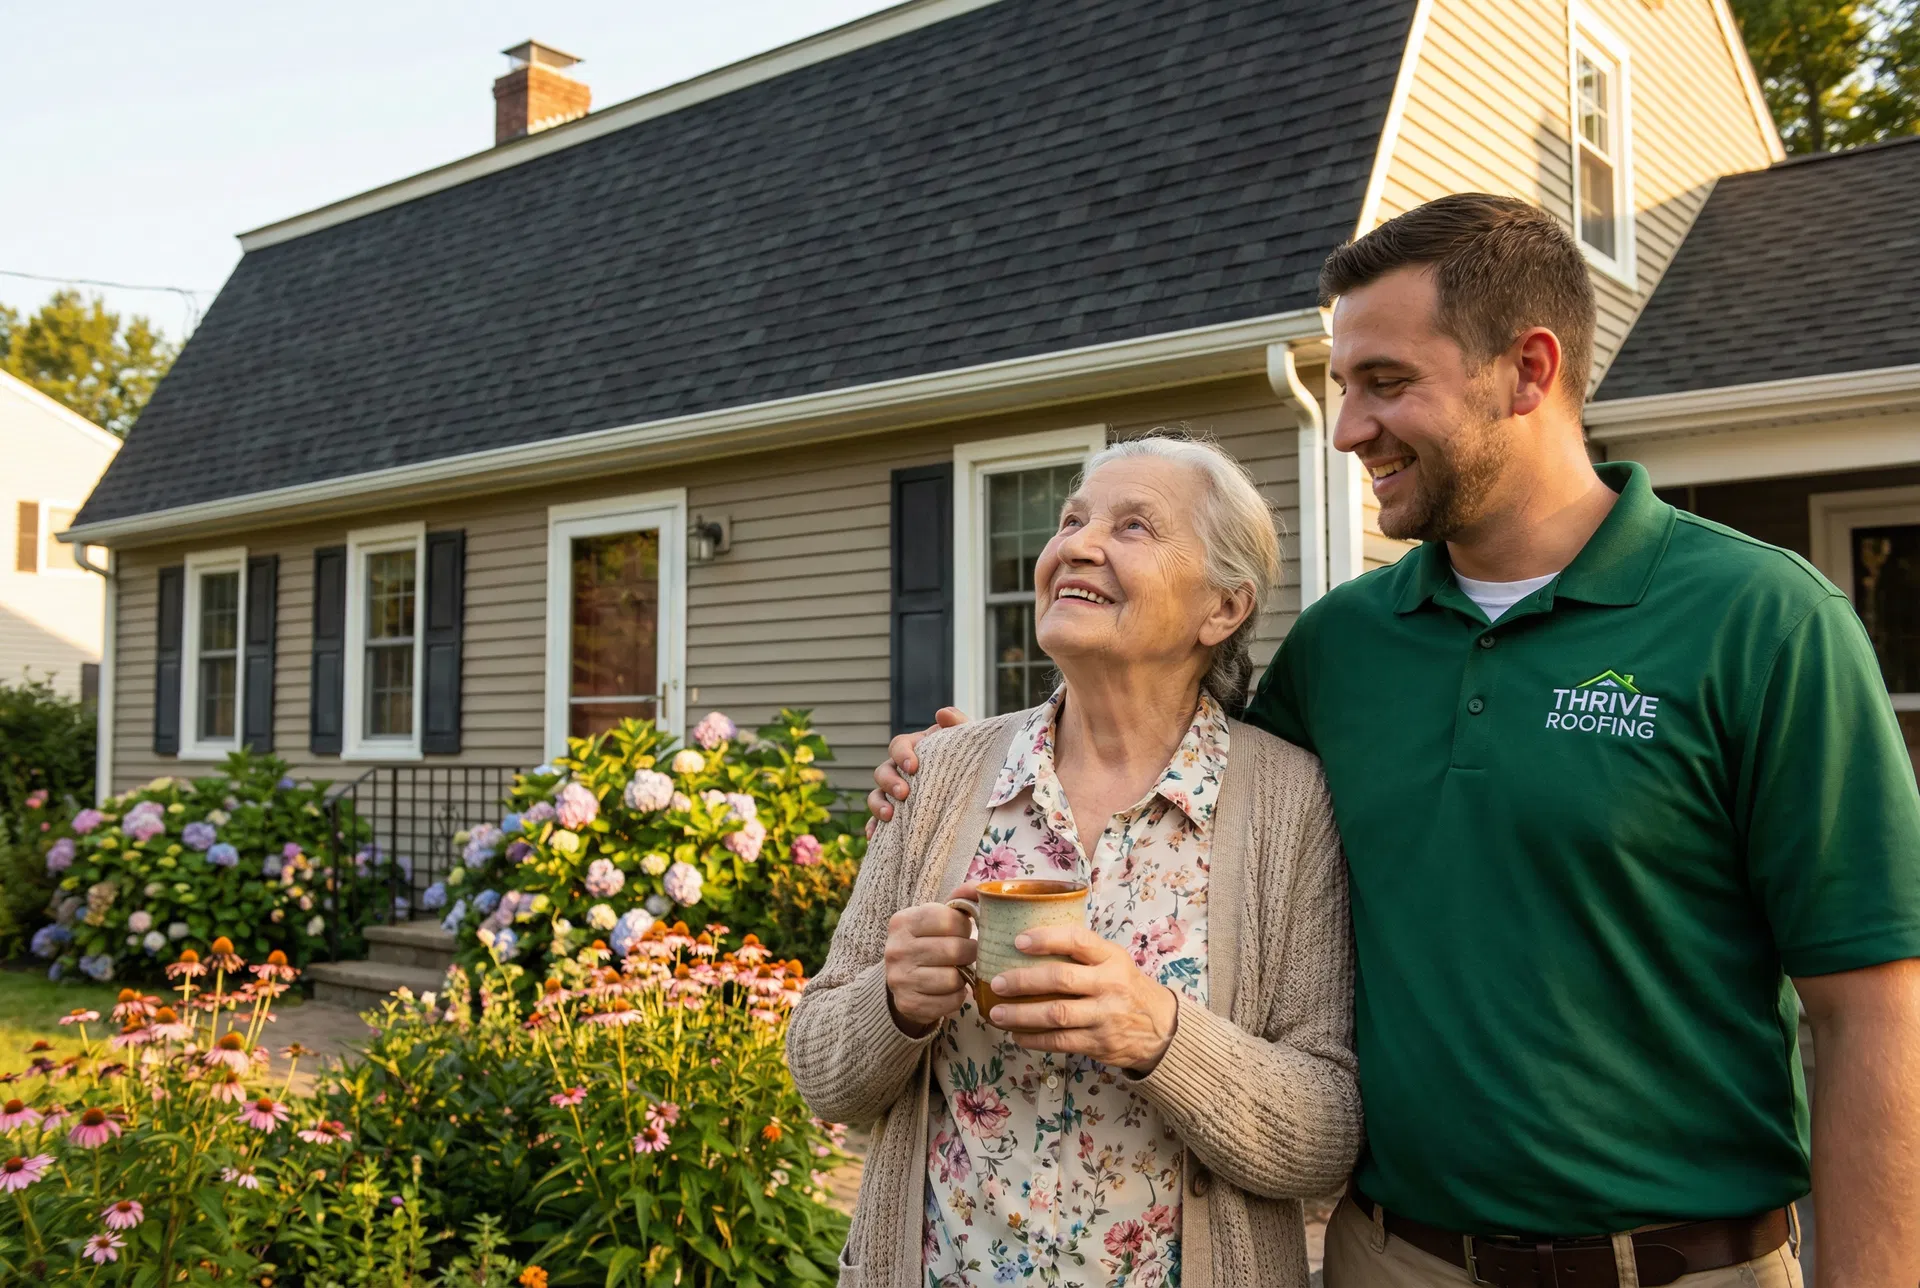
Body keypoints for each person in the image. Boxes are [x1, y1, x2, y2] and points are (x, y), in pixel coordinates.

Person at [869, 194, 1920, 1288]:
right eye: (1341, 386)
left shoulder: (1762, 620)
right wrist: (966, 762)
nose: (1346, 428)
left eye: (1387, 383)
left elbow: (1873, 1015)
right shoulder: (1344, 650)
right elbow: (1172, 776)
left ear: (1529, 369)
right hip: (1392, 1257)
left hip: (1680, 1265)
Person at [788, 436, 1361, 1288]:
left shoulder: (1288, 803)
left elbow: (1328, 1132)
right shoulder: (941, 774)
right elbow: (820, 1073)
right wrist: (893, 1002)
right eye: (1071, 520)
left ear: (1223, 608)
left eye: (1134, 526)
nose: (1076, 545)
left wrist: (1156, 1033)